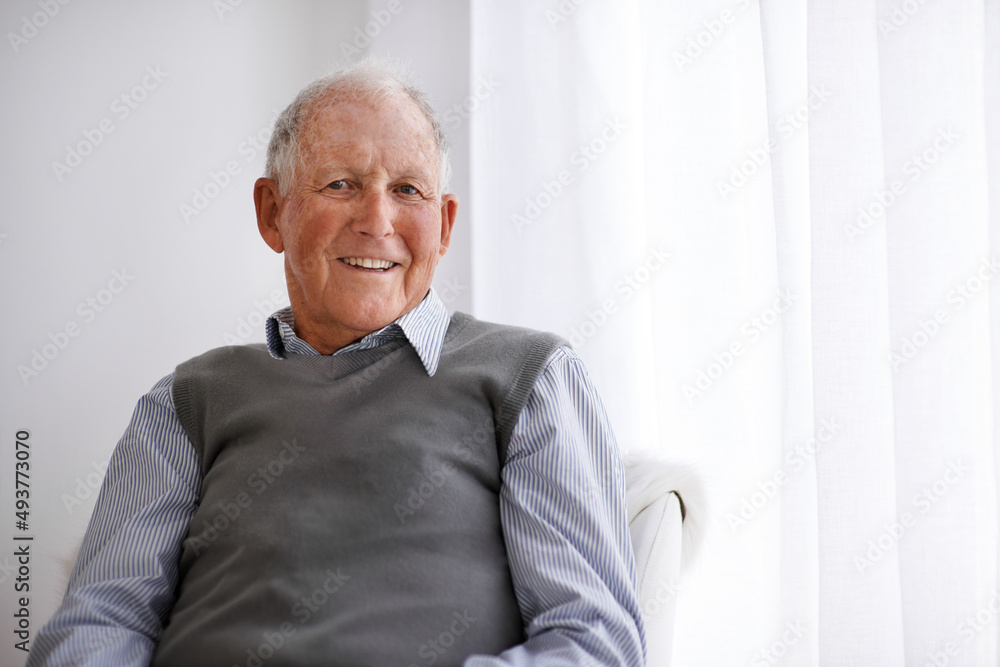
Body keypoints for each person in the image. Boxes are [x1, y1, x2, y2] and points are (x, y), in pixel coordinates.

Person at [28, 58, 645, 667]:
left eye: (407, 190)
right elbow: (100, 623)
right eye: (340, 184)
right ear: (273, 213)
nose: (377, 222)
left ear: (445, 222)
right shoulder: (188, 399)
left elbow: (592, 642)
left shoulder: (529, 377)